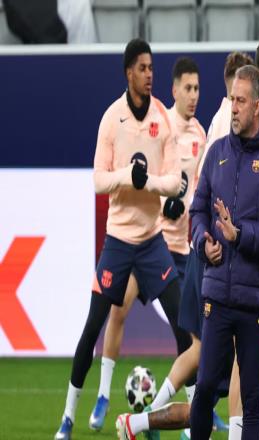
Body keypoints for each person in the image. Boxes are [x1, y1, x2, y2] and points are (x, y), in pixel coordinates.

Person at [54, 38, 186, 440]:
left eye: (152, 68)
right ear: (129, 72)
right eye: (143, 68)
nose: (149, 75)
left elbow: (175, 182)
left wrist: (149, 185)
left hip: (152, 242)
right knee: (92, 327)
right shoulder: (112, 119)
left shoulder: (163, 119)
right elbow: (98, 180)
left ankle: (195, 416)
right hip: (117, 242)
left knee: (184, 326)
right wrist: (129, 176)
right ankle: (68, 417)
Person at [114, 204, 259, 440]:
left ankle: (137, 422)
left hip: (239, 287)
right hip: (221, 279)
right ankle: (152, 422)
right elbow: (206, 207)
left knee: (210, 370)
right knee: (237, 357)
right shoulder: (241, 192)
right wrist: (206, 245)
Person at [88, 56, 205, 433]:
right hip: (152, 240)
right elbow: (149, 176)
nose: (193, 95)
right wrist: (161, 198)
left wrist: (184, 203)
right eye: (188, 88)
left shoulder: (201, 135)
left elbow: (195, 186)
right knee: (118, 310)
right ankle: (103, 395)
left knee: (187, 332)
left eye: (198, 89)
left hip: (183, 247)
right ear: (175, 91)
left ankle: (192, 409)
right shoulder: (160, 122)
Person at [190, 64, 259, 440]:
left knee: (251, 403)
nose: (233, 107)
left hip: (253, 302)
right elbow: (197, 212)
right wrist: (203, 242)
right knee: (204, 390)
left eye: (241, 101)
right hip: (216, 295)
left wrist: (240, 234)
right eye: (232, 99)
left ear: (258, 106)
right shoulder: (217, 152)